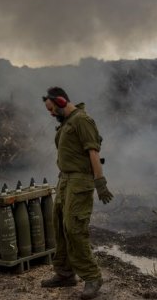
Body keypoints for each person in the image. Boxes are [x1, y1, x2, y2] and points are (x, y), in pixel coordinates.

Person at [40, 86, 113, 300]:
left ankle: (92, 277)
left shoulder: (82, 120)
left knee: (74, 229)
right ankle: (64, 274)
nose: (51, 113)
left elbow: (93, 152)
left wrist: (100, 183)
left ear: (61, 102)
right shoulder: (67, 123)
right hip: (65, 180)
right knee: (60, 227)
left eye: (52, 108)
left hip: (79, 181)